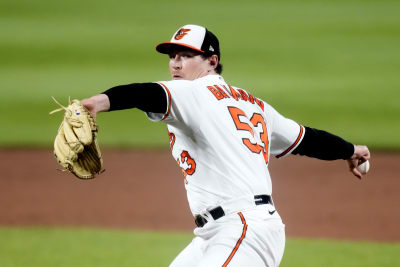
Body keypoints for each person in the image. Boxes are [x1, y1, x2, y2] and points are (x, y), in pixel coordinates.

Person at [81, 24, 370, 267]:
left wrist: (97, 103)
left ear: (212, 61)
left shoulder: (195, 92)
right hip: (219, 232)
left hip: (243, 229)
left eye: (186, 55)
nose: (175, 63)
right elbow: (306, 139)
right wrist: (349, 150)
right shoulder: (254, 105)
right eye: (172, 56)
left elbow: (146, 94)